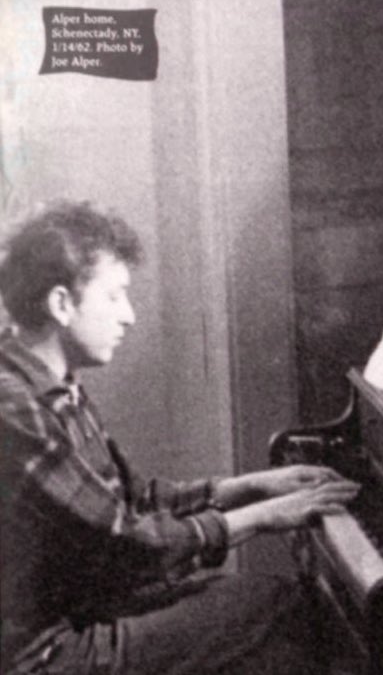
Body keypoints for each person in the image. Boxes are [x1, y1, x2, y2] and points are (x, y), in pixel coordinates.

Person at [0, 201, 360, 675]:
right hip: (47, 655)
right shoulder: (17, 411)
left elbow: (134, 499)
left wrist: (252, 486)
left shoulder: (52, 382)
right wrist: (267, 516)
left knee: (267, 605)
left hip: (86, 611)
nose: (128, 316)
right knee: (281, 604)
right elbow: (127, 541)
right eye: (114, 296)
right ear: (62, 304)